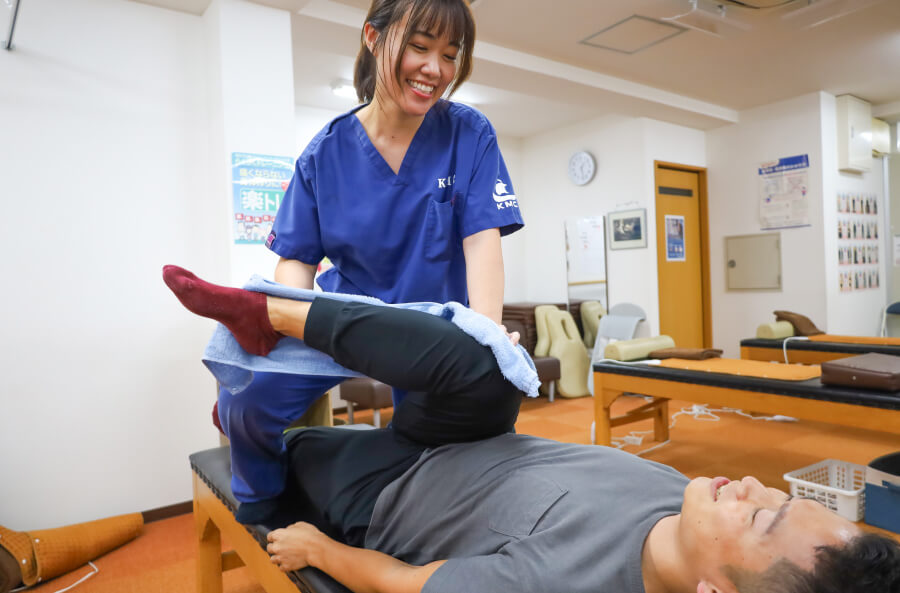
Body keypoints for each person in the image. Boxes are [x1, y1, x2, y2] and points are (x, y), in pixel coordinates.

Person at [163, 265, 900, 593]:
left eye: (762, 512)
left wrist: (323, 546)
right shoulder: (689, 497)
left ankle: (246, 438)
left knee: (279, 445)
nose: (750, 482)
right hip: (467, 436)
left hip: (384, 492)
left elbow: (403, 580)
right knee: (484, 361)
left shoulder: (563, 582)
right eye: (773, 490)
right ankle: (268, 314)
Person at [218, 0, 525, 523]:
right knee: (244, 394)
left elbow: (482, 242)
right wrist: (292, 324)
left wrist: (488, 335)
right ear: (373, 37)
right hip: (349, 323)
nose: (436, 68)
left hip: (431, 332)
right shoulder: (324, 153)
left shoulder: (469, 133)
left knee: (460, 439)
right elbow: (295, 259)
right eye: (420, 46)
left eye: (451, 54)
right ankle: (262, 495)